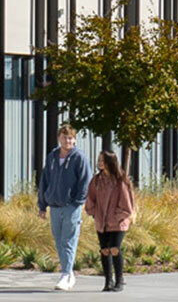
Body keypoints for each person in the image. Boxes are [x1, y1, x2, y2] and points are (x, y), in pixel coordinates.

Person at [38, 123, 90, 290]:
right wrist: (42, 204)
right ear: (59, 138)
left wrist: (77, 202)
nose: (68, 140)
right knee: (59, 240)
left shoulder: (79, 158)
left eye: (71, 138)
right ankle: (69, 273)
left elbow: (85, 181)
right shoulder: (52, 157)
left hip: (71, 206)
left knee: (69, 240)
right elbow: (45, 181)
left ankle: (65, 274)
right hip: (54, 205)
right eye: (64, 137)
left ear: (74, 140)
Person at [89, 148, 138, 291]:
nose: (100, 163)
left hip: (118, 222)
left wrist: (118, 216)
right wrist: (94, 212)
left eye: (102, 160)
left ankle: (119, 280)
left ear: (110, 162)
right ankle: (108, 281)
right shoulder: (97, 180)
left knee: (115, 248)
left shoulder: (120, 181)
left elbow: (127, 204)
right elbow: (90, 198)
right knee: (104, 250)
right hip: (101, 221)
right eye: (99, 160)